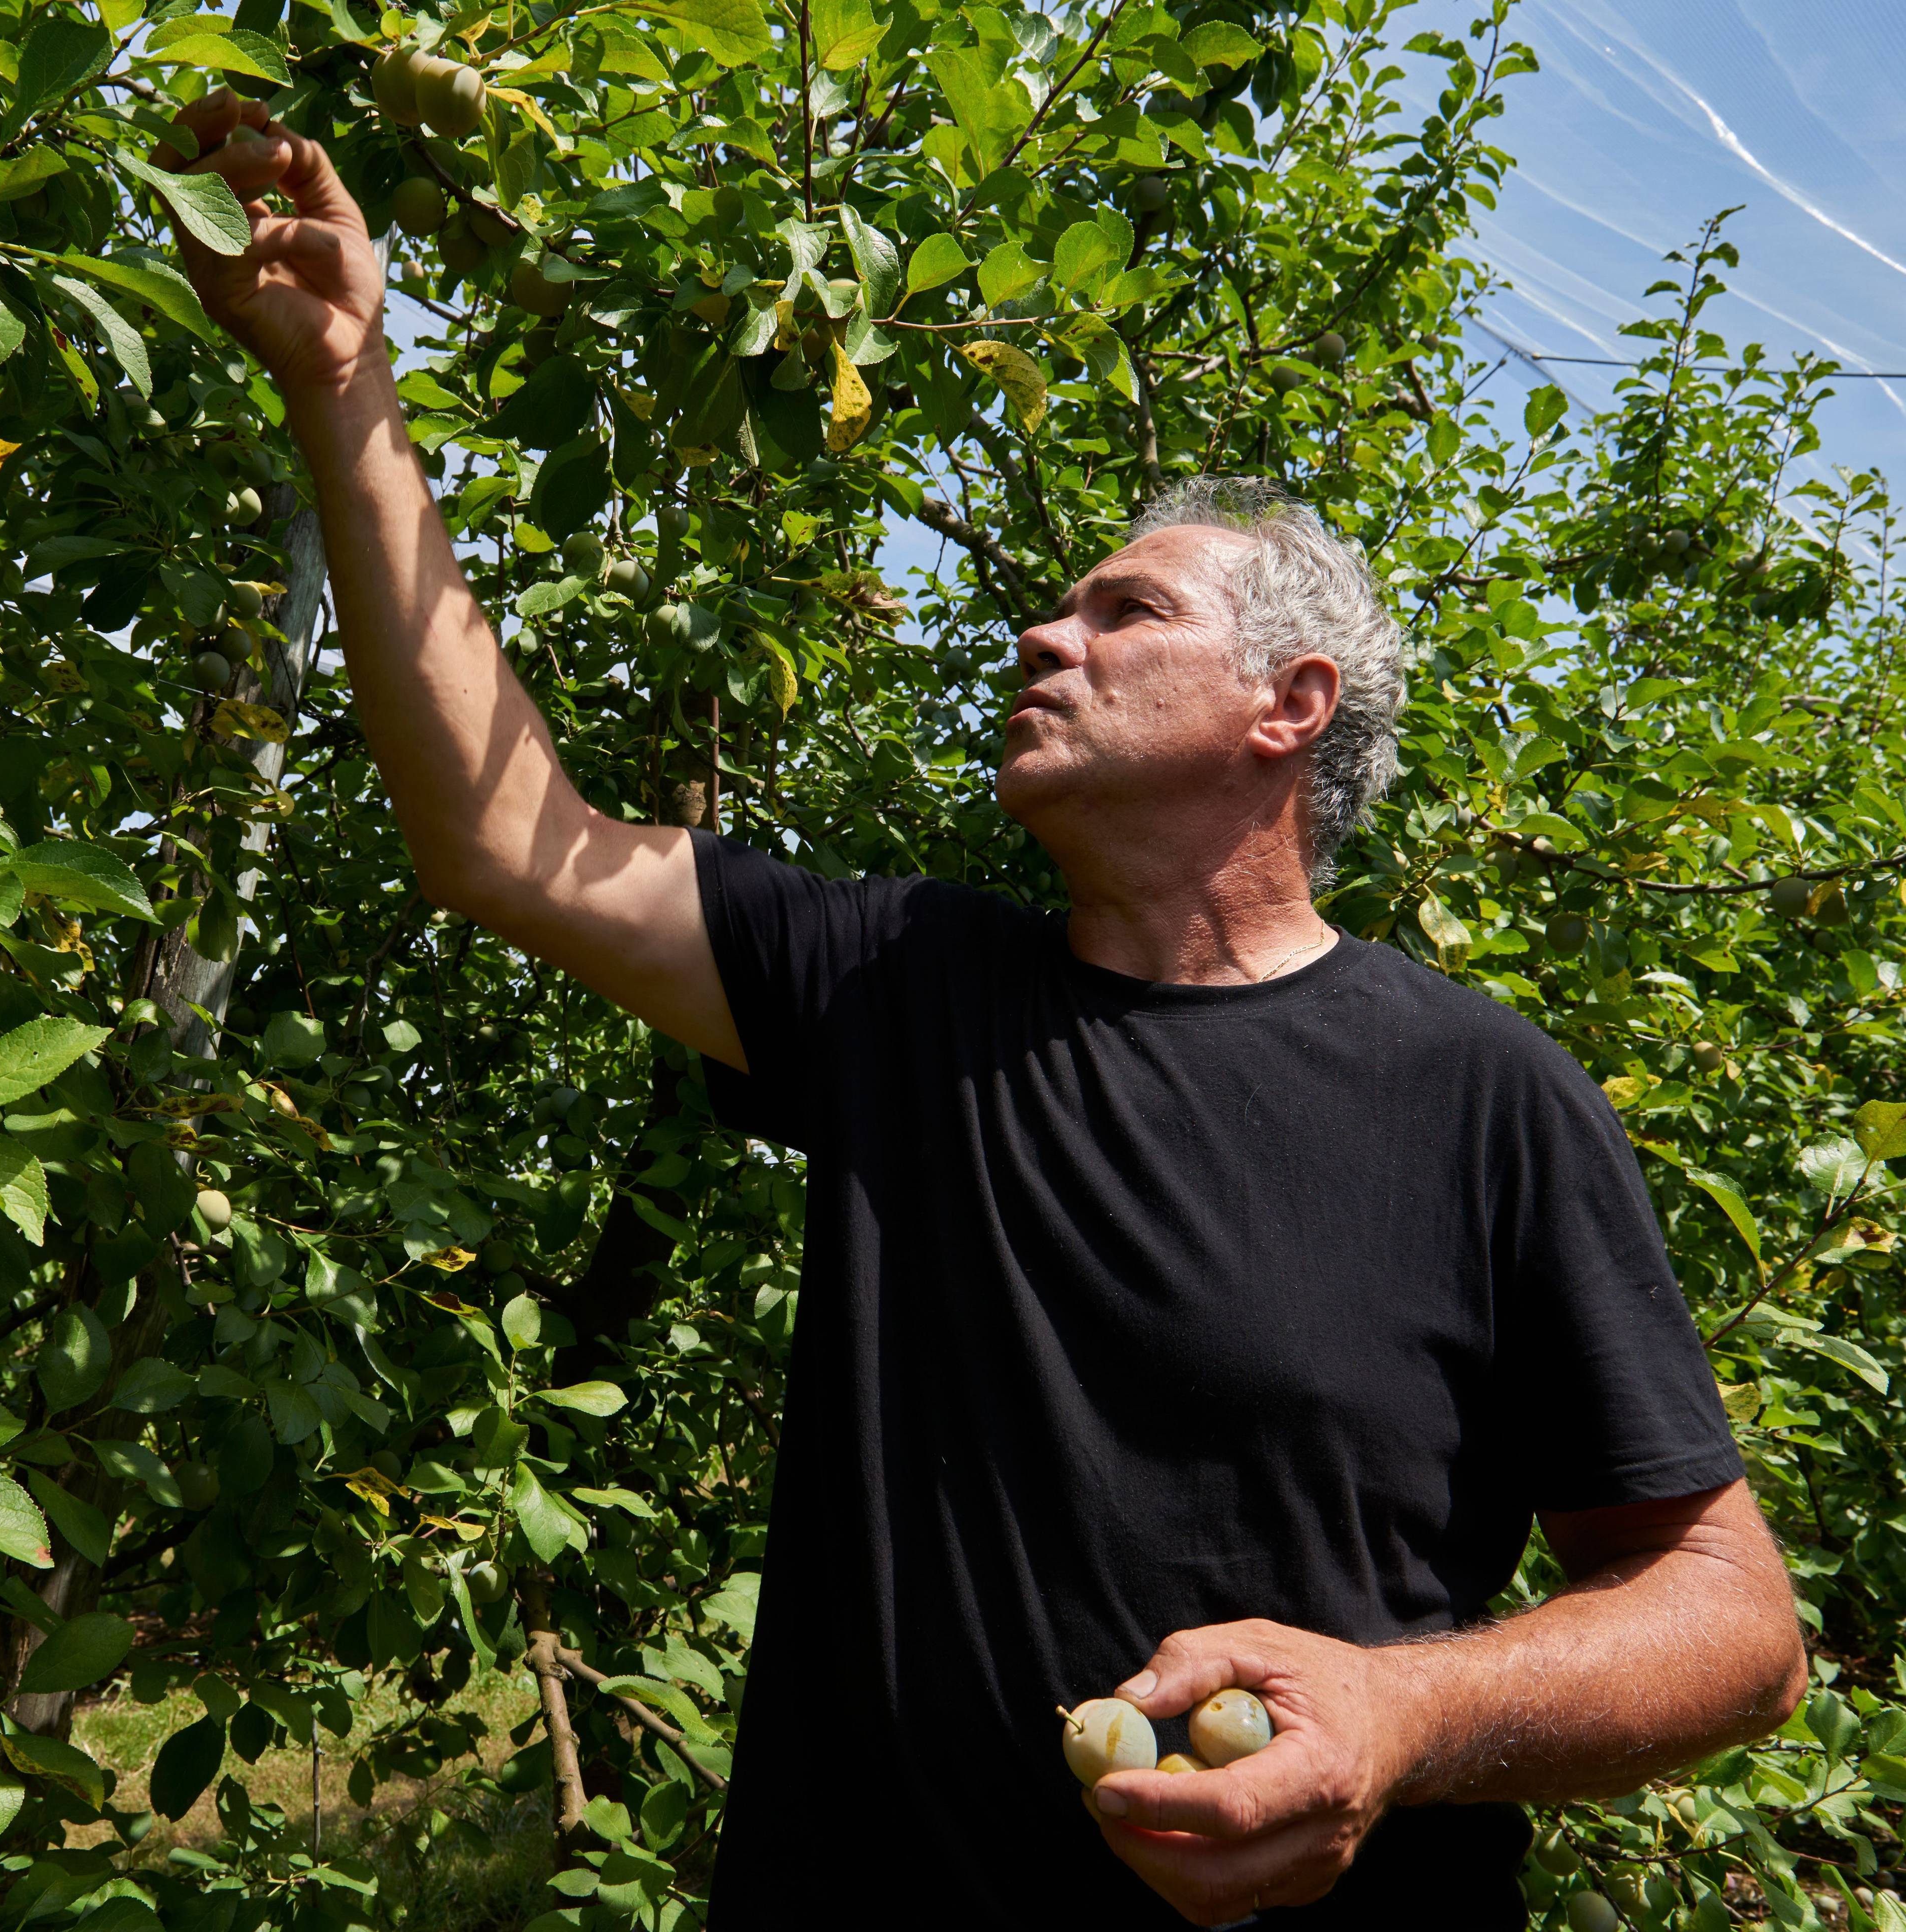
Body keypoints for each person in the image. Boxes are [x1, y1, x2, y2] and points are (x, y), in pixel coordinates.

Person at [161, 94, 1808, 1930]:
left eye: (1124, 612)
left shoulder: (1481, 1096)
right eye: (1054, 606)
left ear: (1290, 707)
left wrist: (1411, 1709)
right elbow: (506, 843)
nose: (1042, 634)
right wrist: (341, 380)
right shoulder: (899, 987)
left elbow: (1731, 1621)